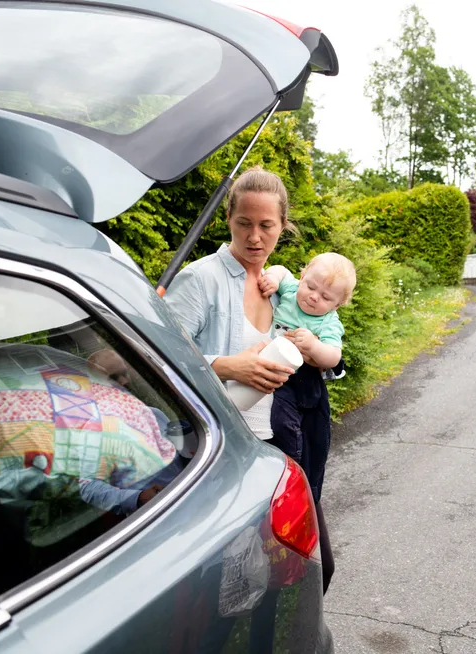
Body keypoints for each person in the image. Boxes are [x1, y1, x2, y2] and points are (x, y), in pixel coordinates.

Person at [163, 166, 336, 594]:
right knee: (231, 585)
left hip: (279, 450)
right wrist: (226, 365)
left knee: (310, 568)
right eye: (244, 223)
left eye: (266, 225)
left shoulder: (283, 289)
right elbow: (157, 359)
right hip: (222, 453)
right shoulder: (201, 279)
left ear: (282, 226)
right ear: (228, 220)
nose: (254, 237)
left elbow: (327, 345)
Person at [258, 252, 356, 507]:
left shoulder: (328, 322)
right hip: (270, 366)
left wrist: (313, 346)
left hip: (298, 381)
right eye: (311, 286)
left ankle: (294, 464)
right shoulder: (291, 291)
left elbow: (333, 357)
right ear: (302, 277)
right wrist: (271, 277)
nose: (314, 296)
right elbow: (280, 269)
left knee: (285, 424)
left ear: (336, 305)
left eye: (325, 297)